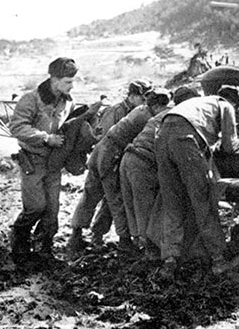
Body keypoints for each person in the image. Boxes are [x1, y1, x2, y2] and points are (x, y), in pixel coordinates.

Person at [155, 85, 239, 280]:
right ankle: (219, 259)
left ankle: (169, 260)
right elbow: (230, 146)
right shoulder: (225, 106)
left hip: (162, 138)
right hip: (185, 141)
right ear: (234, 102)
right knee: (203, 201)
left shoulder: (197, 102)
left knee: (172, 203)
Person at [68, 89, 170, 255]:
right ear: (157, 105)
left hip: (101, 151)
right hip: (111, 155)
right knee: (115, 198)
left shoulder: (140, 110)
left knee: (90, 194)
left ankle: (77, 235)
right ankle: (123, 240)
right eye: (163, 106)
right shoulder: (147, 118)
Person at [9, 57, 79, 264]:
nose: (71, 86)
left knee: (52, 210)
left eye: (73, 81)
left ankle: (43, 247)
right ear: (53, 79)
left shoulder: (68, 102)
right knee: (36, 206)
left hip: (54, 163)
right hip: (33, 160)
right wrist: (46, 138)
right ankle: (19, 239)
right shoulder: (31, 99)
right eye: (67, 81)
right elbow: (17, 127)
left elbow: (69, 127)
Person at [120, 86, 200, 260]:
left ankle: (137, 244)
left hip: (129, 157)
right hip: (143, 161)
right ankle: (150, 251)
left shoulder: (165, 113)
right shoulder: (182, 116)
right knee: (148, 207)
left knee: (133, 205)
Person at [88, 79, 153, 246]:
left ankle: (99, 232)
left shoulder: (138, 111)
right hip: (107, 154)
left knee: (112, 198)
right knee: (97, 195)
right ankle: (80, 233)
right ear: (132, 96)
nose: (145, 102)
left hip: (117, 154)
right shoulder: (116, 110)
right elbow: (106, 136)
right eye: (142, 97)